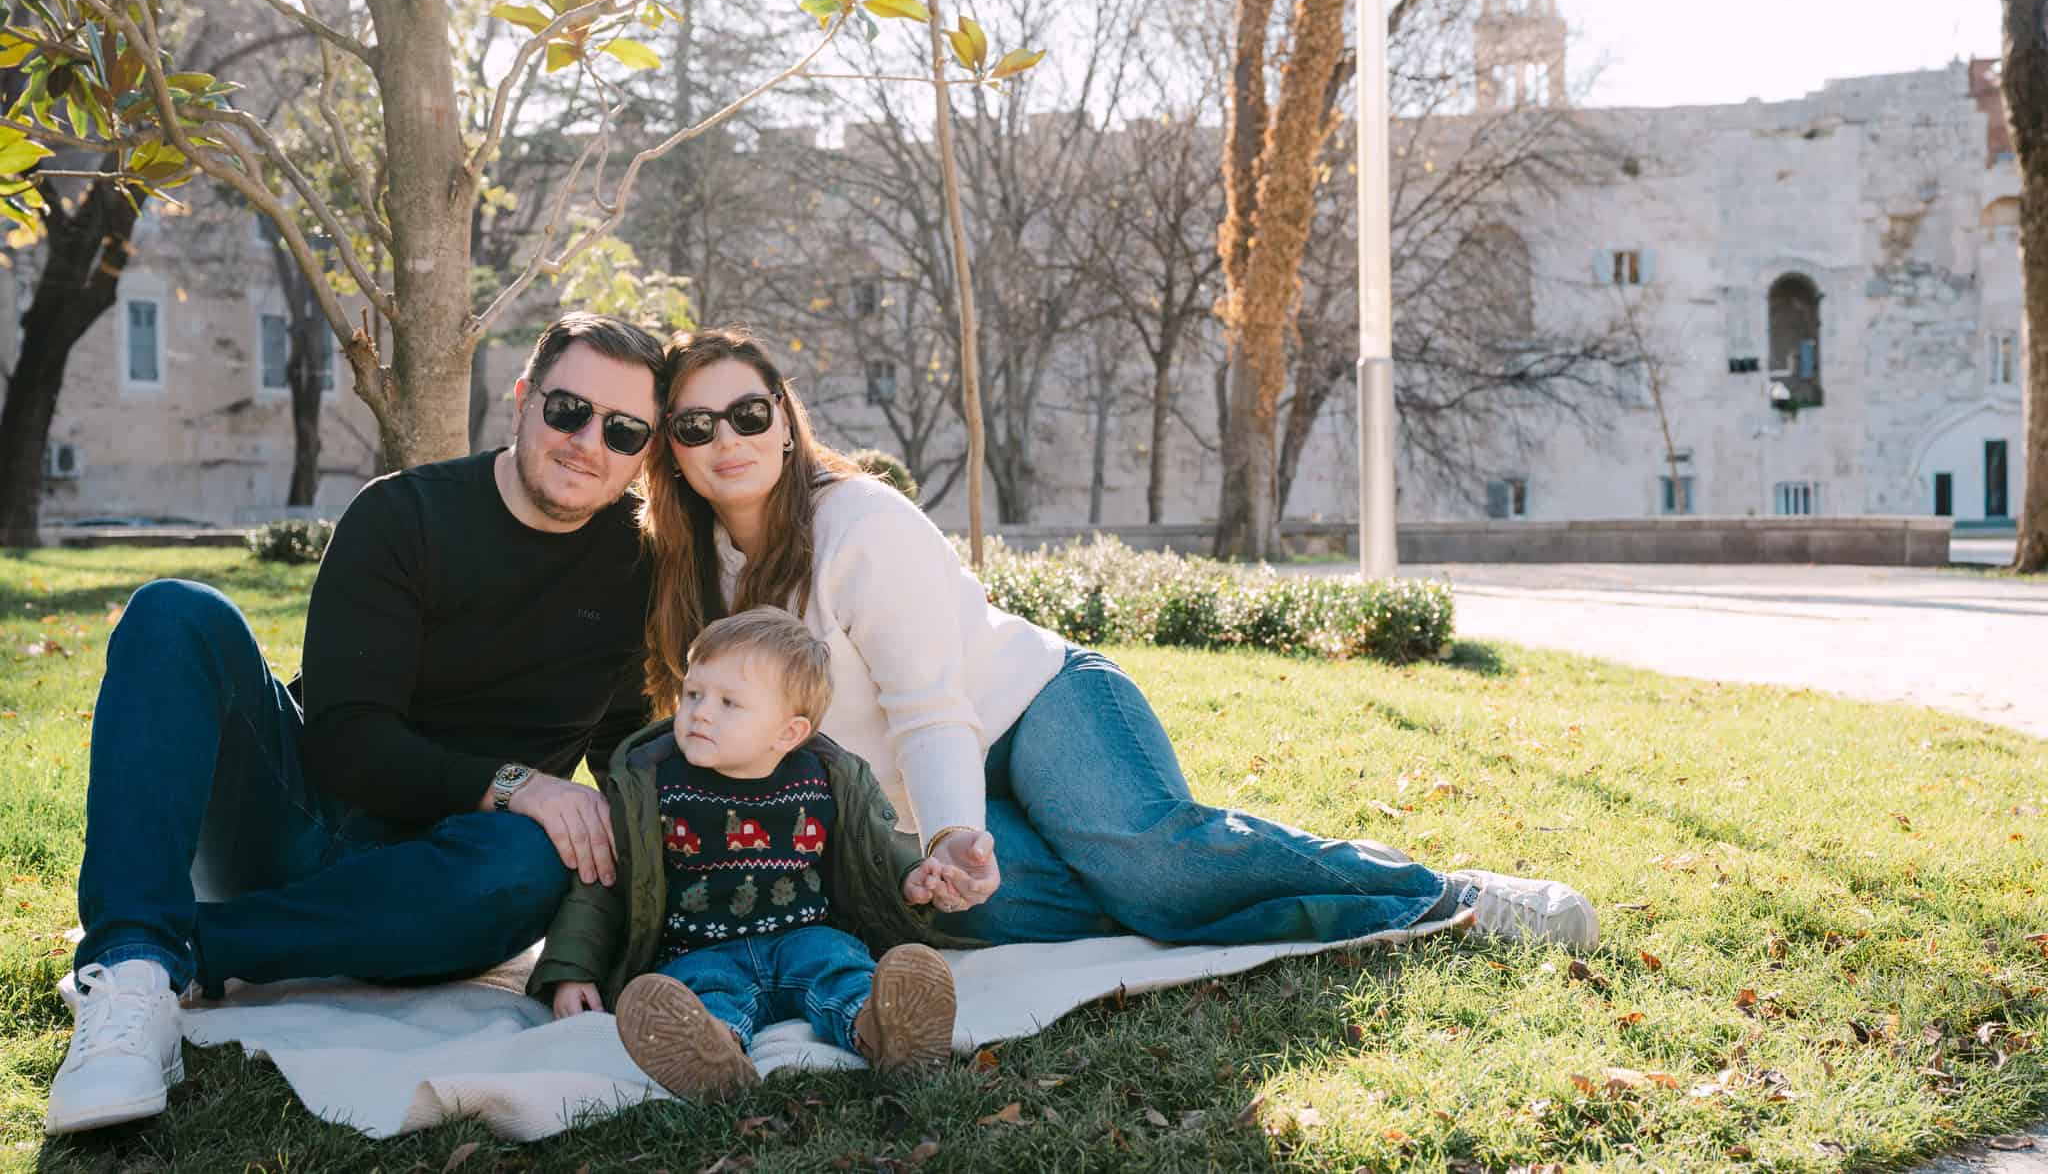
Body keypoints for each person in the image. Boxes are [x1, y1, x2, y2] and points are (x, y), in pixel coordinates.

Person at [639, 327, 1599, 957]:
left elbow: (932, 708)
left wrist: (951, 835)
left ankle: (1443, 896)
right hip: (906, 800)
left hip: (1034, 707)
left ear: (786, 419)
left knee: (1153, 863)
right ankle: (1203, 886)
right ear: (670, 451)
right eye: (695, 423)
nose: (729, 437)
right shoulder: (688, 574)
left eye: (750, 412)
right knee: (1003, 909)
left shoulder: (860, 523)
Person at [46, 313, 666, 1137]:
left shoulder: (636, 563)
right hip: (296, 821)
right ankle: (127, 976)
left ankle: (189, 948)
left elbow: (628, 758)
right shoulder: (405, 515)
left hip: (449, 881)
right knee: (175, 612)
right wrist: (517, 784)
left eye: (623, 430)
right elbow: (347, 741)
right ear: (523, 398)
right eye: (568, 410)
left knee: (532, 860)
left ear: (646, 451)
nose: (590, 440)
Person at [531, 605, 961, 1097]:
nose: (701, 712)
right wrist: (573, 970)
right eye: (693, 694)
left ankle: (886, 1031)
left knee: (841, 968)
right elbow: (602, 881)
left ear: (788, 732)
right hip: (699, 949)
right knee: (702, 991)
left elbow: (873, 849)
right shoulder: (651, 787)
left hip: (805, 935)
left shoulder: (825, 779)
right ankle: (711, 1052)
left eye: (729, 703)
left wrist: (911, 876)